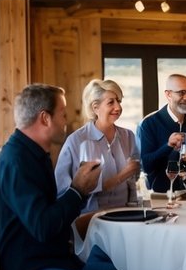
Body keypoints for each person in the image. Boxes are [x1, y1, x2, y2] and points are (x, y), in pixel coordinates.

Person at [0, 83, 128, 270]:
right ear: (45, 118)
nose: (67, 121)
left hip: (56, 262)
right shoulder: (16, 161)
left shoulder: (35, 154)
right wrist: (78, 190)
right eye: (63, 114)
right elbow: (42, 227)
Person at [54, 79, 140, 222]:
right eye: (111, 102)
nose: (118, 107)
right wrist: (121, 176)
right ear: (95, 107)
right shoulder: (76, 141)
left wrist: (136, 212)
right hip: (90, 220)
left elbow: (134, 181)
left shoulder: (128, 136)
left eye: (119, 101)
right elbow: (63, 191)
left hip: (127, 215)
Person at [137, 73, 186, 192]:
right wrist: (168, 146)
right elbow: (146, 166)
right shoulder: (148, 124)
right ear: (168, 94)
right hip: (160, 197)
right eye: (182, 93)